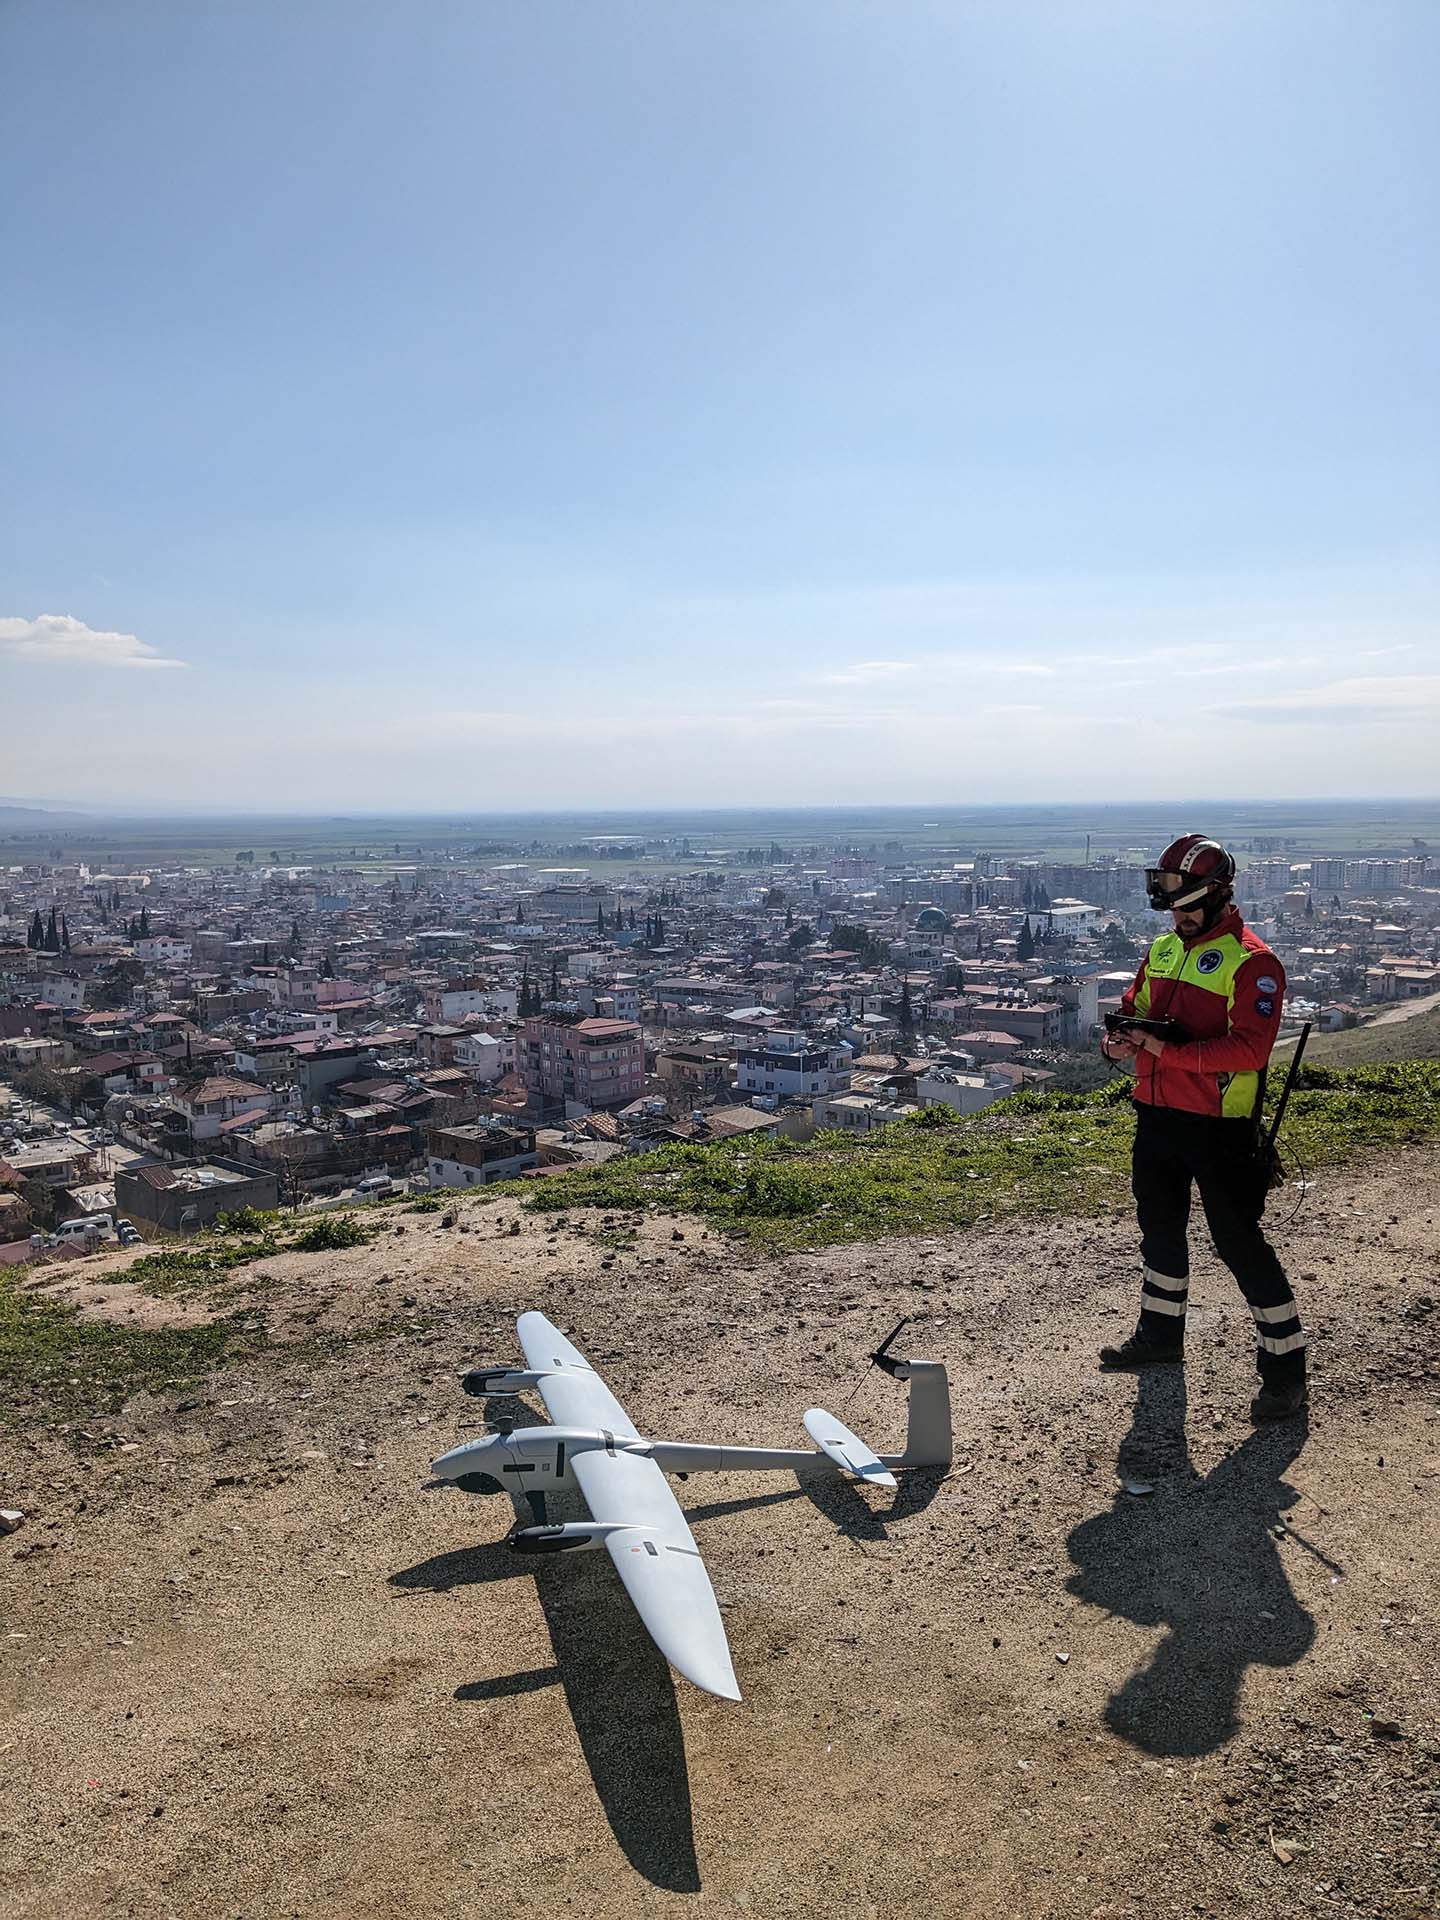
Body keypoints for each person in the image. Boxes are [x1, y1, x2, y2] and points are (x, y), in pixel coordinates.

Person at [1098, 834, 1307, 1420]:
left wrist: (1164, 1051)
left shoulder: (1253, 962)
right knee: (1159, 1230)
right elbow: (1134, 1005)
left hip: (1218, 1126)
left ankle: (1285, 1372)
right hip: (1157, 1115)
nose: (1179, 916)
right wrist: (1119, 1040)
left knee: (1238, 1243)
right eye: (1173, 906)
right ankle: (1161, 1337)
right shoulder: (1164, 948)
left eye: (1189, 906)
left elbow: (1250, 1050)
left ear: (1218, 897)